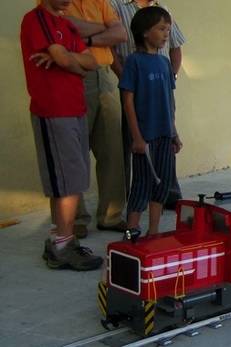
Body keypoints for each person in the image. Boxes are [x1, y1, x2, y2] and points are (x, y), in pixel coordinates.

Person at [21, 0, 103, 270]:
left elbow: (90, 62)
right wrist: (69, 61)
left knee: (73, 179)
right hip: (54, 110)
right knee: (66, 182)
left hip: (75, 109)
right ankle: (63, 246)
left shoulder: (66, 24)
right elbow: (64, 59)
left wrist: (70, 61)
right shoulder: (37, 19)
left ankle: (61, 240)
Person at [58, 0, 128, 237]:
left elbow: (120, 33)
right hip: (74, 74)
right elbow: (64, 28)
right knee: (74, 151)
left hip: (105, 75)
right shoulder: (55, 2)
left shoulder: (100, 1)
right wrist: (102, 28)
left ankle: (111, 215)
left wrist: (85, 36)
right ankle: (75, 218)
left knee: (112, 149)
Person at [110, 0, 187, 210]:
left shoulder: (163, 8)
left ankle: (167, 195)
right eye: (162, 29)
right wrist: (128, 79)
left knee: (164, 152)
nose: (165, 33)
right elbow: (111, 50)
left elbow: (176, 47)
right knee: (137, 148)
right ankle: (134, 204)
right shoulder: (117, 6)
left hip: (161, 88)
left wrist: (171, 77)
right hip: (136, 87)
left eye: (166, 29)